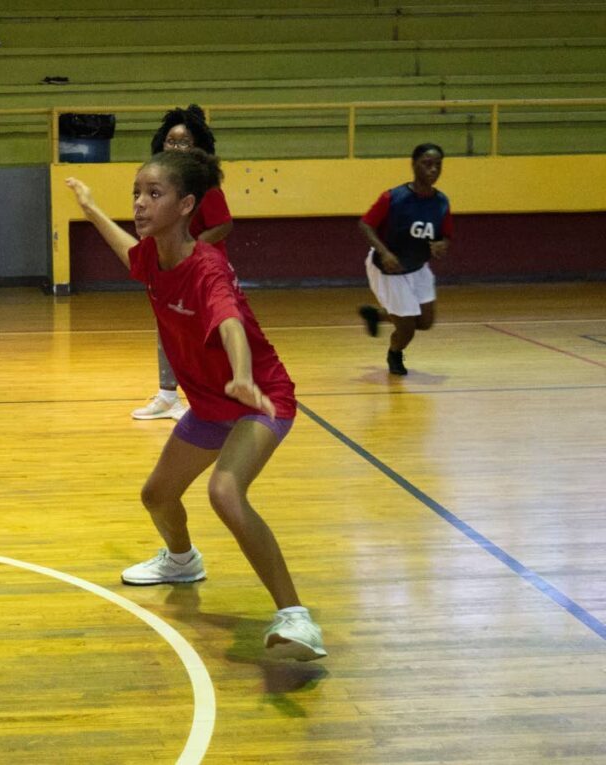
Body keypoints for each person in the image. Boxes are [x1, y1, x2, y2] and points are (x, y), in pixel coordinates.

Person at [65, 150, 326, 661]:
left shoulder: (207, 266)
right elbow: (128, 254)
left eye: (153, 194)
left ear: (186, 205)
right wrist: (93, 209)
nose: (140, 204)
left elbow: (229, 321)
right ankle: (182, 561)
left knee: (225, 491)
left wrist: (245, 378)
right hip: (210, 406)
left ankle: (296, 617)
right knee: (158, 496)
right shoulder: (153, 256)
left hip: (259, 399)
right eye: (136, 192)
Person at [131, 105, 233, 421]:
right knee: (168, 330)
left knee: (204, 335)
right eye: (171, 141)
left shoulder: (203, 186)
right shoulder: (162, 183)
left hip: (201, 273)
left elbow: (224, 224)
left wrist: (189, 253)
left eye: (184, 142)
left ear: (197, 145)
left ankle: (215, 394)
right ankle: (167, 396)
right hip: (170, 272)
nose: (176, 147)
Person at [357, 143, 453, 376]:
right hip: (390, 269)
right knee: (407, 328)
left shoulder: (441, 202)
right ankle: (395, 354)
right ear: (414, 164)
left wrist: (442, 245)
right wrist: (385, 252)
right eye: (427, 164)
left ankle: (377, 314)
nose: (433, 170)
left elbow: (445, 236)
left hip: (417, 267)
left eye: (438, 165)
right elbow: (365, 225)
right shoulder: (394, 197)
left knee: (425, 322)